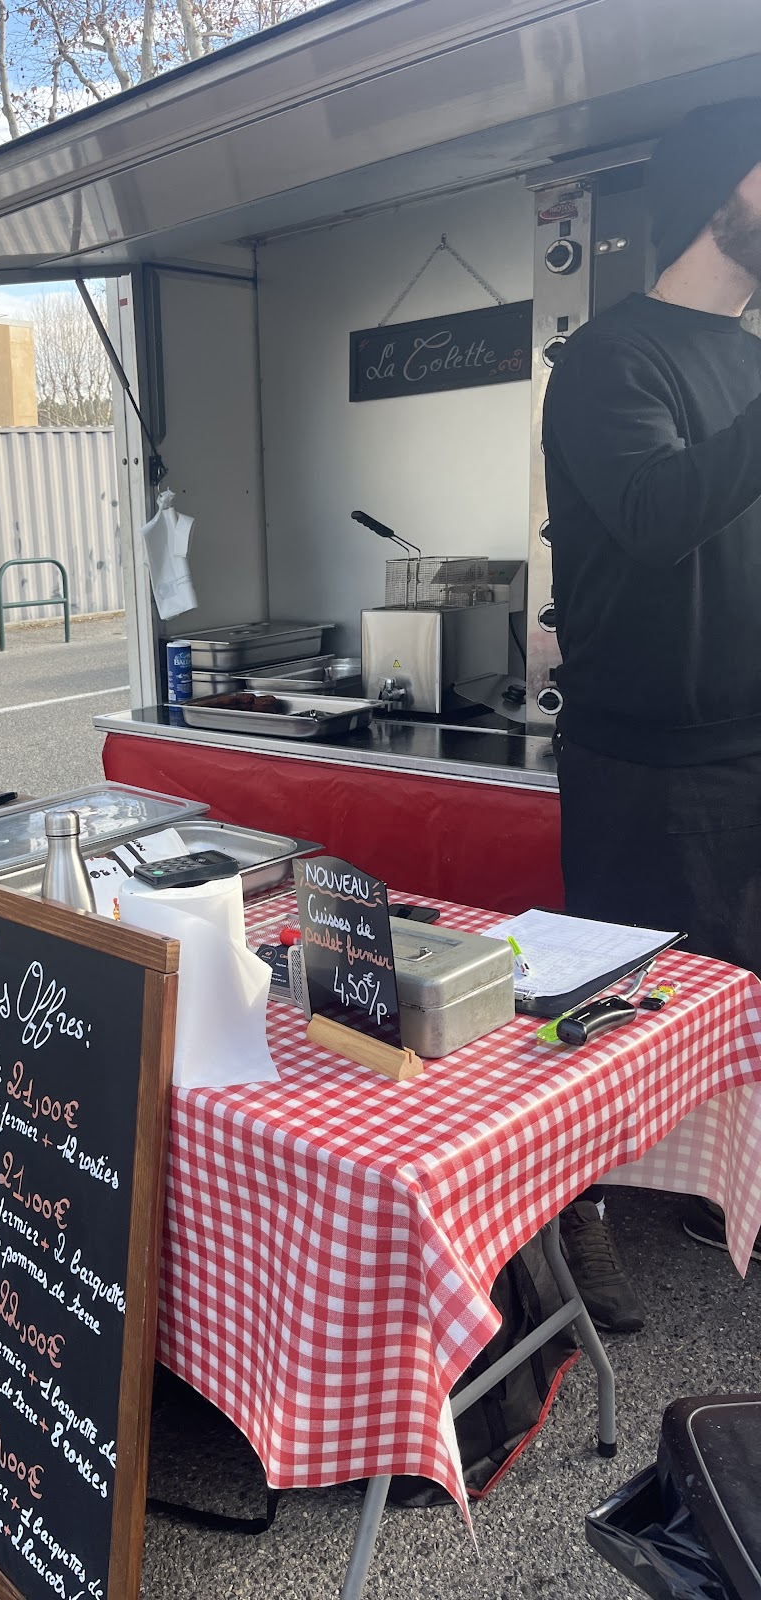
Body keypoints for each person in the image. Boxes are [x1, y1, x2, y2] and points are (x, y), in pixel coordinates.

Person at [542, 98, 761, 1331]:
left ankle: (719, 1190)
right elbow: (662, 510)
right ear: (719, 182)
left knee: (744, 1005)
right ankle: (578, 1208)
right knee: (610, 1013)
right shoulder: (610, 362)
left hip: (749, 755)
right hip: (638, 768)